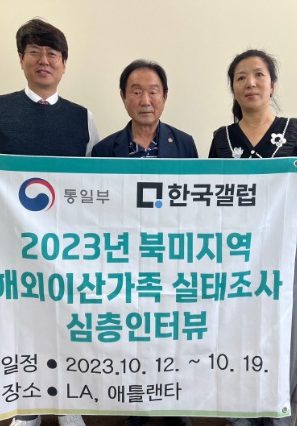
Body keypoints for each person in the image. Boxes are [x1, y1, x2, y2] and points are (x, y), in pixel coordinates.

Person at [0, 18, 100, 426]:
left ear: (64, 64)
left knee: (69, 321)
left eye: (52, 54)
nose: (44, 60)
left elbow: (94, 184)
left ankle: (69, 403)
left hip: (69, 245)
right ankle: (28, 407)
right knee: (22, 324)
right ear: (21, 59)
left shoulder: (83, 118)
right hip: (12, 242)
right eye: (35, 52)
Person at [208, 49, 297, 426]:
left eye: (259, 75)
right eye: (241, 77)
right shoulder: (222, 139)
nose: (251, 83)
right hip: (235, 251)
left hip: (282, 247)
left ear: (272, 84)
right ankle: (240, 414)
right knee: (235, 329)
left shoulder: (294, 131)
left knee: (282, 332)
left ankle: (280, 417)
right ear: (233, 88)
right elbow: (210, 200)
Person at [92, 59, 197, 426]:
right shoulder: (105, 149)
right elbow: (94, 211)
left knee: (171, 331)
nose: (145, 100)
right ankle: (136, 403)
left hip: (169, 256)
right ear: (123, 97)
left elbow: (195, 205)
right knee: (132, 331)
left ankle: (174, 405)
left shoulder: (183, 144)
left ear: (165, 96)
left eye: (153, 91)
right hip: (125, 258)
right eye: (136, 91)